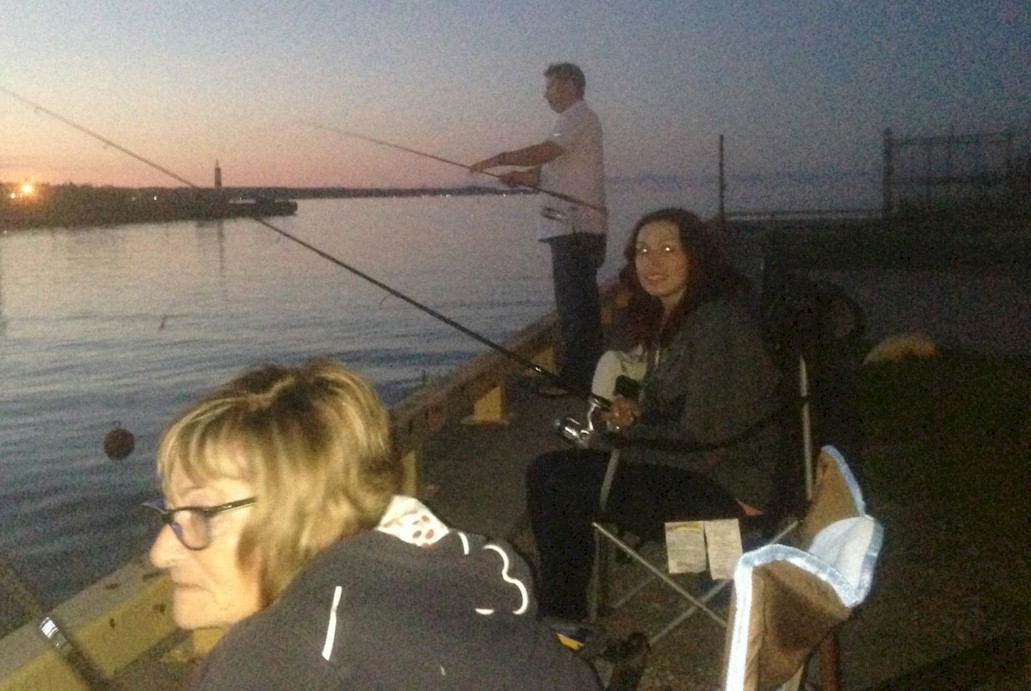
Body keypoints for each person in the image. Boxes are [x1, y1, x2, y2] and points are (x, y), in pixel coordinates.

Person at [146, 359, 600, 689]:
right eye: (171, 512)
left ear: (317, 515)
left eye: (201, 513)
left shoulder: (272, 662)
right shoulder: (445, 584)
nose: (160, 551)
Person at [525, 208, 785, 620]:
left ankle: (563, 620)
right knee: (552, 471)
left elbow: (707, 441)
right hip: (702, 474)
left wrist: (620, 446)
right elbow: (684, 407)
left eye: (668, 249)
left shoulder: (721, 326)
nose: (653, 262)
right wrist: (637, 412)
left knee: (558, 480)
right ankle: (562, 612)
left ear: (695, 257)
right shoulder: (680, 317)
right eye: (643, 251)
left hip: (727, 495)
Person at [471, 62, 607, 398]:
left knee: (576, 308)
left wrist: (499, 158)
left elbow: (546, 151)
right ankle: (584, 375)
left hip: (576, 229)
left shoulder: (578, 116)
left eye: (549, 87)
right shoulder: (572, 124)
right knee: (576, 306)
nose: (545, 95)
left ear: (569, 85)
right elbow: (546, 172)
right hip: (572, 230)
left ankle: (577, 380)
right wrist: (519, 177)